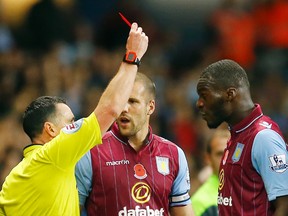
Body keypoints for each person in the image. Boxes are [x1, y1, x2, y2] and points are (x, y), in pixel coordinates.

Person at [0, 22, 148, 216]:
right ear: (51, 130)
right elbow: (111, 108)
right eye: (70, 122)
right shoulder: (53, 156)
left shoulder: (14, 178)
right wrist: (132, 56)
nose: (75, 125)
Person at [75, 72, 194, 216]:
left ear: (150, 107)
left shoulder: (174, 154)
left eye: (132, 101)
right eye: (120, 102)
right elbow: (72, 210)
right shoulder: (92, 152)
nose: (124, 109)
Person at [196, 59, 288, 216]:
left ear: (230, 94)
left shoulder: (263, 138)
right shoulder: (236, 136)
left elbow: (284, 205)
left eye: (205, 96)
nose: (199, 103)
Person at [191, 128, 229, 216]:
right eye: (219, 154)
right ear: (208, 159)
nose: (225, 159)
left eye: (230, 152)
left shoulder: (251, 190)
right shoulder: (201, 202)